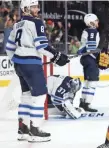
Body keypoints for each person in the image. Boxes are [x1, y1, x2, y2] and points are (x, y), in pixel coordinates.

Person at [5, 0, 69, 142]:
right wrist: (57, 56)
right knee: (40, 96)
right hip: (31, 65)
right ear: (26, 8)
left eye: (37, 6)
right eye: (33, 6)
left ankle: (23, 129)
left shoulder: (17, 25)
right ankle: (34, 130)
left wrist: (17, 60)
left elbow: (9, 48)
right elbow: (41, 46)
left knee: (26, 96)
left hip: (19, 64)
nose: (37, 9)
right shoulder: (36, 23)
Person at [77, 13, 100, 112]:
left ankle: (83, 102)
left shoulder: (86, 30)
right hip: (90, 59)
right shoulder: (92, 31)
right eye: (96, 20)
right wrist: (96, 58)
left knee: (87, 82)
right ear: (91, 22)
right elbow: (90, 48)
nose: (97, 22)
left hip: (85, 58)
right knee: (92, 82)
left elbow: (83, 47)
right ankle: (87, 104)